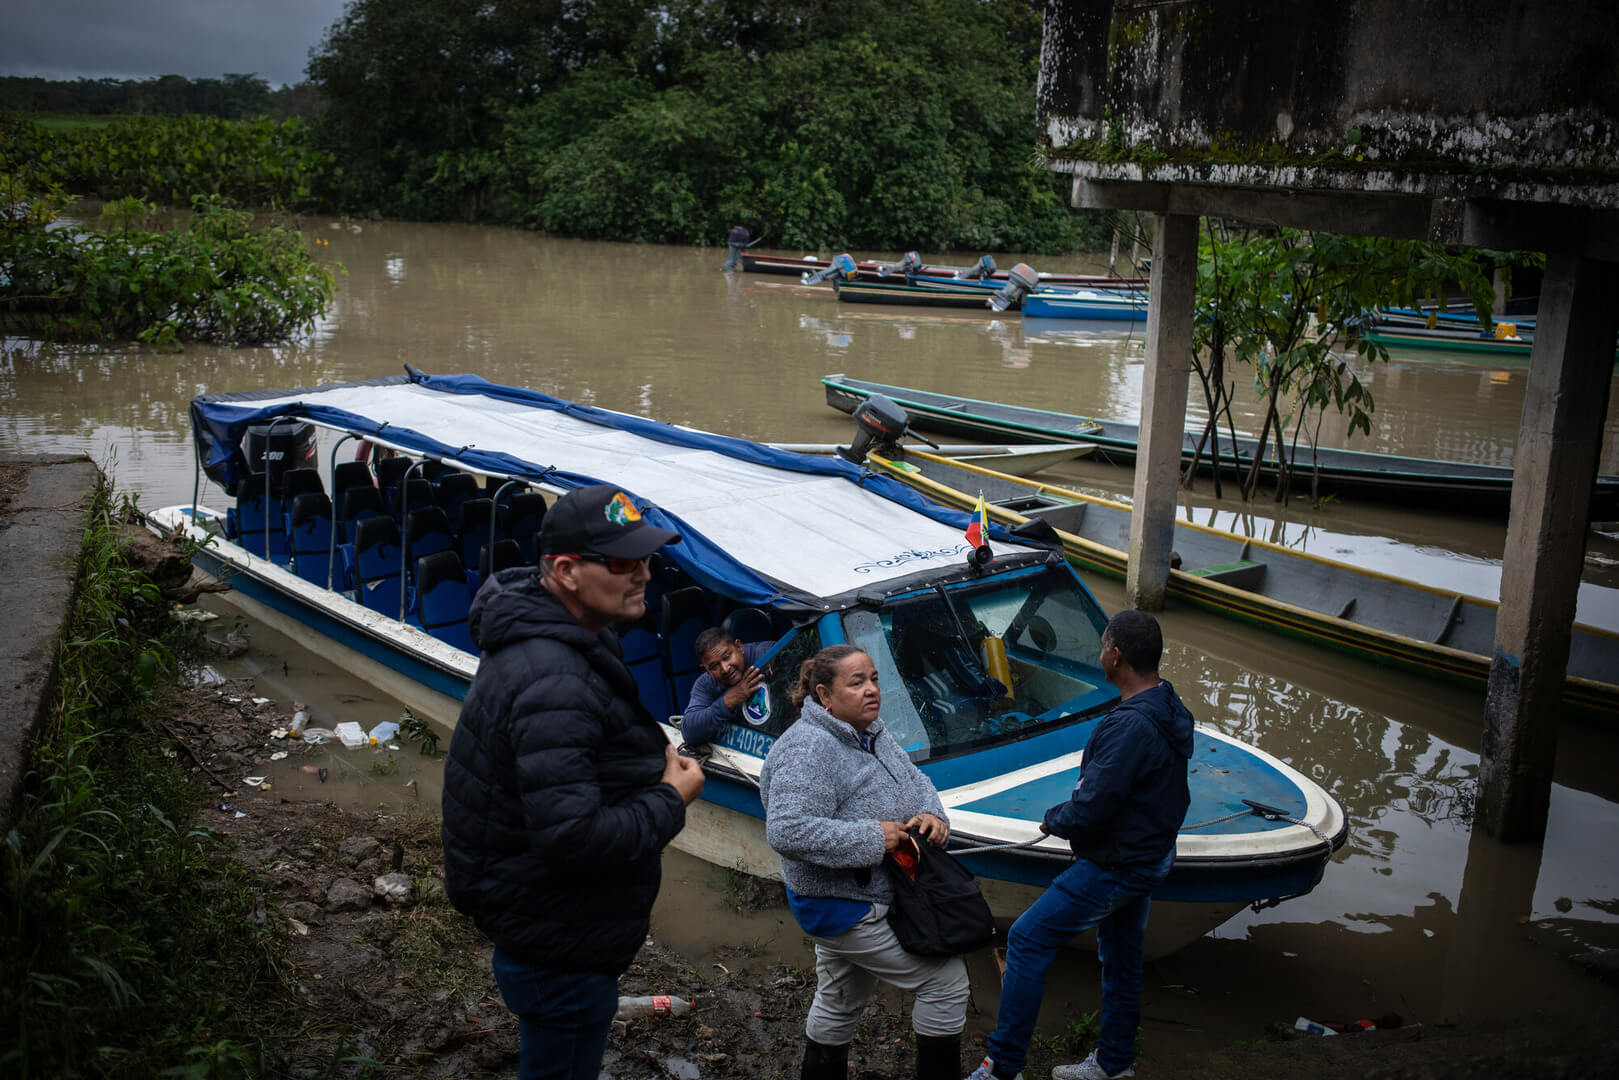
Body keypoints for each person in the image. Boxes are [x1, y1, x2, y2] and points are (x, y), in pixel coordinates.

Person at [441, 485, 706, 1080]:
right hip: (555, 942)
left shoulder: (561, 635)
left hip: (548, 922)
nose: (642, 574)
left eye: (645, 559)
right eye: (621, 562)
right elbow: (573, 837)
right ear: (564, 571)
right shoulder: (553, 678)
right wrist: (670, 798)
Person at [965, 610, 1192, 1080]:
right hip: (1151, 855)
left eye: (1104, 646)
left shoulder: (1130, 726)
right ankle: (1113, 1063)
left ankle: (1002, 1067)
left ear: (1115, 656)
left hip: (1117, 864)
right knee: (1122, 956)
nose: (1101, 653)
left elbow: (1091, 807)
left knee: (1026, 940)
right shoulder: (1168, 704)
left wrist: (1055, 819)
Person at [760, 645, 969, 1080]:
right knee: (945, 982)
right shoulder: (808, 750)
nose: (872, 690)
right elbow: (787, 831)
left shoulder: (870, 730)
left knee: (840, 997)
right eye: (857, 683)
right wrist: (875, 837)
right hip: (841, 901)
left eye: (874, 678)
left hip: (867, 892)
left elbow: (917, 779)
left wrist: (933, 814)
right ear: (825, 695)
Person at [680, 627, 776, 743]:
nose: (725, 669)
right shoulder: (705, 683)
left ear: (739, 646)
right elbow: (689, 731)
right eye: (714, 666)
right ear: (706, 670)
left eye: (727, 657)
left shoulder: (770, 654)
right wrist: (727, 702)